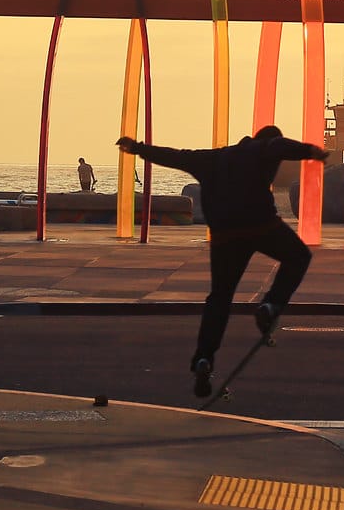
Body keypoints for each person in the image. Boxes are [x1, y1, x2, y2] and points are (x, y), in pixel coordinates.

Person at [117, 125, 328, 396]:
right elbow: (278, 147)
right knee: (298, 256)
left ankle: (204, 358)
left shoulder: (212, 158)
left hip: (225, 236)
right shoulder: (264, 148)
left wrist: (137, 148)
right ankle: (271, 305)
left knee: (220, 298)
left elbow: (175, 156)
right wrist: (310, 151)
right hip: (261, 225)